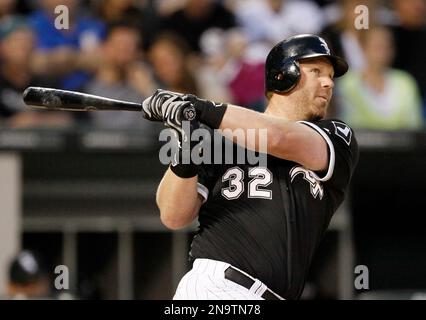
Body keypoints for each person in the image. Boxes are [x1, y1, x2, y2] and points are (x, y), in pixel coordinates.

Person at [142, 34, 359, 300]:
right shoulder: (222, 137)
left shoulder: (337, 135)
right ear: (284, 75)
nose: (328, 83)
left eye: (330, 76)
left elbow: (279, 137)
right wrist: (186, 150)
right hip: (219, 287)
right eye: (316, 71)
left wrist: (200, 107)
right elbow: (173, 215)